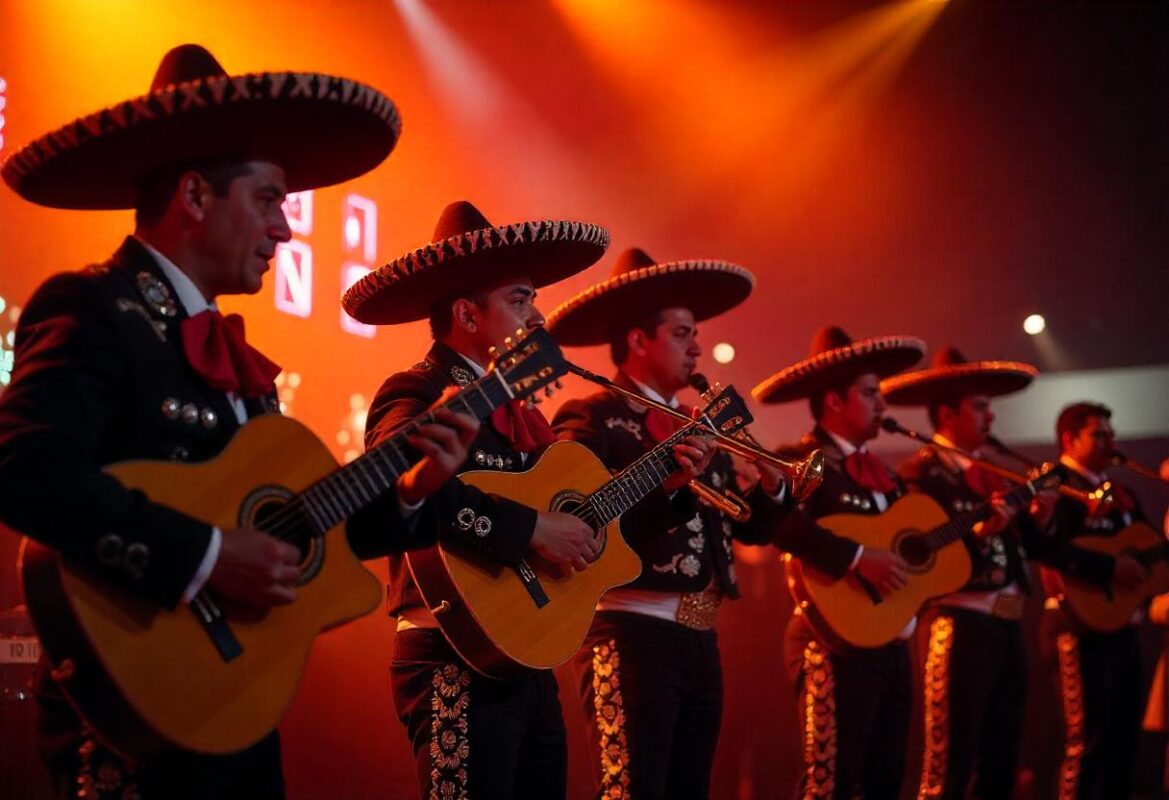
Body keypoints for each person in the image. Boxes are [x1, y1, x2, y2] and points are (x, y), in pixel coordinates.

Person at [0, 44, 470, 800]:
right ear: (194, 196)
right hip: (131, 719)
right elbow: (19, 465)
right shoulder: (95, 307)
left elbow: (299, 530)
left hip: (235, 709)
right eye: (270, 199)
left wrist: (412, 487)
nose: (285, 230)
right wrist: (207, 556)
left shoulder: (235, 360)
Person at [343, 199, 610, 800]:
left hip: (527, 653)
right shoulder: (416, 388)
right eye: (520, 300)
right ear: (467, 313)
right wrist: (529, 530)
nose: (538, 316)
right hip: (449, 654)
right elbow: (394, 491)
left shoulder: (523, 412)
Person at [546, 247, 801, 799]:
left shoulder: (698, 423)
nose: (698, 347)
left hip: (702, 637)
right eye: (683, 333)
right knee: (630, 790)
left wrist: (775, 484)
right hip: (627, 630)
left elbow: (750, 529)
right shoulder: (593, 416)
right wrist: (665, 483)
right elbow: (576, 515)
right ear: (639, 341)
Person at [752, 325, 926, 799]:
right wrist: (854, 558)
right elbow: (779, 524)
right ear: (834, 401)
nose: (882, 406)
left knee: (887, 781)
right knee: (830, 780)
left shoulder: (887, 475)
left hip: (889, 641)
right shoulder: (797, 460)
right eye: (870, 394)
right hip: (829, 639)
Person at [881, 346, 1057, 798]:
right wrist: (977, 536)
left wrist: (1040, 515)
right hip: (959, 623)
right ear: (946, 414)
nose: (990, 418)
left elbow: (1031, 547)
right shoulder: (921, 474)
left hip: (1009, 624)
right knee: (950, 759)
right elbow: (925, 554)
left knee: (1002, 758)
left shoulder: (994, 474)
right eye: (979, 407)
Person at [1041, 402, 1150, 799]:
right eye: (1099, 434)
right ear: (1070, 439)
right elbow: (1045, 547)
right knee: (1085, 739)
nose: (1110, 441)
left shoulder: (1123, 492)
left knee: (1125, 739)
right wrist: (1107, 569)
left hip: (1122, 628)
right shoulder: (1053, 484)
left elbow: (1149, 549)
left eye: (1111, 433)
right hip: (1076, 625)